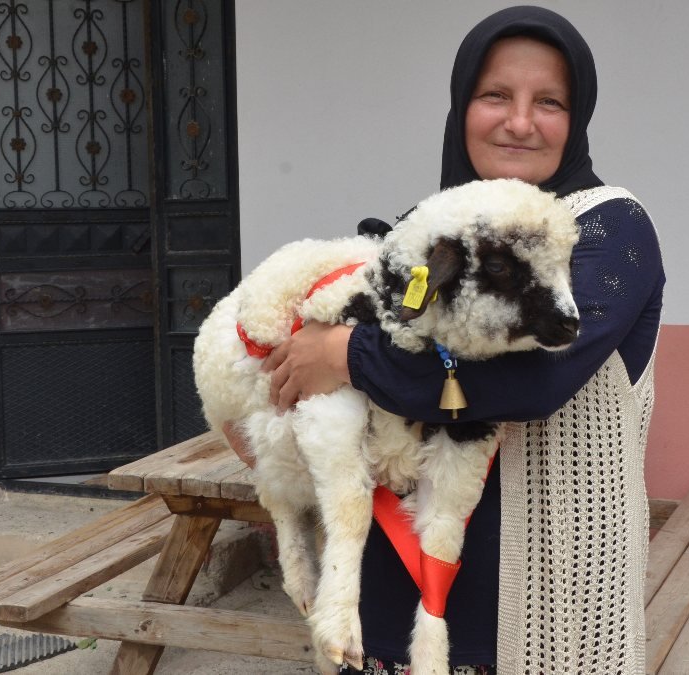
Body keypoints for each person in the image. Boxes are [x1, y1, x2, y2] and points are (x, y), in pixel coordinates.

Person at [262, 6, 665, 673]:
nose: (520, 121)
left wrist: (346, 356)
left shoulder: (606, 230)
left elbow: (533, 382)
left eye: (550, 101)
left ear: (578, 118)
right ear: (461, 106)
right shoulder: (424, 234)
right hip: (394, 602)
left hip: (539, 600)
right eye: (496, 95)